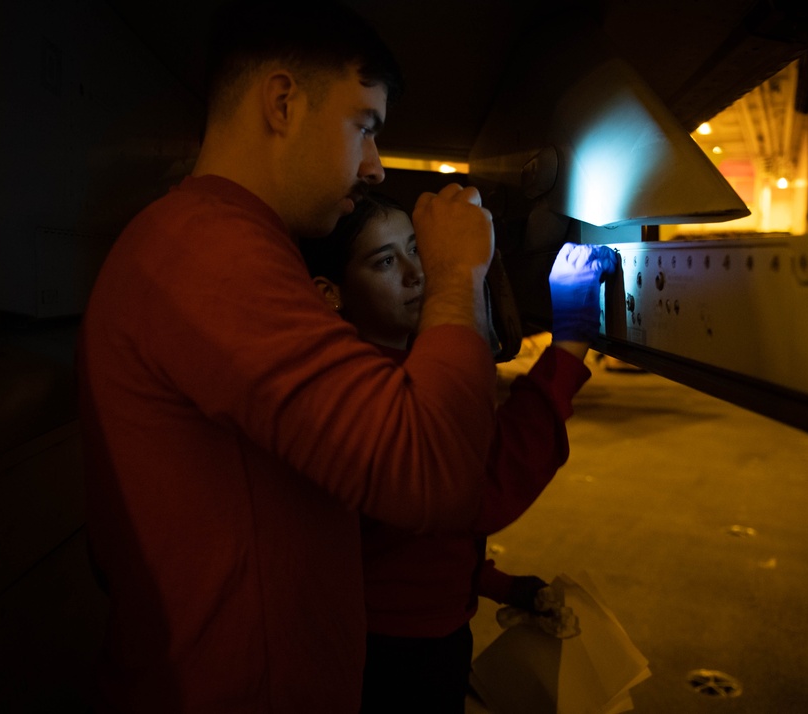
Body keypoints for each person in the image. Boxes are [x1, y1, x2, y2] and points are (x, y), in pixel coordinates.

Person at [77, 3, 500, 712]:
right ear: (282, 102)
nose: (372, 167)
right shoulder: (209, 251)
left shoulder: (226, 243)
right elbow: (432, 469)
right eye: (363, 126)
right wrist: (457, 275)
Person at [299, 194, 618, 713]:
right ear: (330, 293)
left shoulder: (404, 369)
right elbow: (478, 487)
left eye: (416, 250)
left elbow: (404, 544)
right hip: (395, 654)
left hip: (421, 634)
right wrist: (569, 346)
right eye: (384, 261)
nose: (416, 275)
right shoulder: (360, 391)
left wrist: (500, 585)